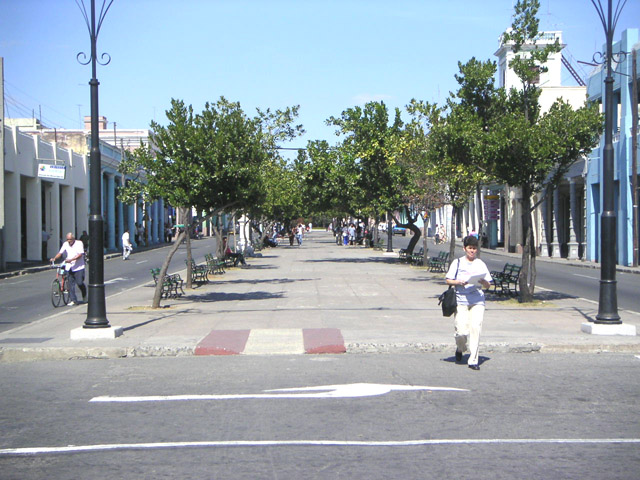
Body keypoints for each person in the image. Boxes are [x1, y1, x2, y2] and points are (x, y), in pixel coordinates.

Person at [445, 235, 492, 371]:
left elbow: (488, 284)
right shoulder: (458, 262)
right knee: (461, 331)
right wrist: (458, 282)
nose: (472, 251)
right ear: (464, 248)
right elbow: (448, 280)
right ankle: (460, 348)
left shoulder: (480, 264)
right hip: (461, 300)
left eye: (474, 249)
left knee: (476, 328)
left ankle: (473, 360)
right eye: (470, 248)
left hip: (477, 300)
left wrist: (484, 283)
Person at [50, 233, 87, 306]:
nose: (69, 241)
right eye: (67, 239)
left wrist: (71, 259)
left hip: (79, 267)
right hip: (69, 266)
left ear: (73, 239)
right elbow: (60, 253)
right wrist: (54, 258)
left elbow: (80, 254)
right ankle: (73, 300)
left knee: (79, 283)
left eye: (70, 239)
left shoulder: (79, 243)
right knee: (70, 284)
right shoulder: (65, 244)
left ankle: (84, 295)